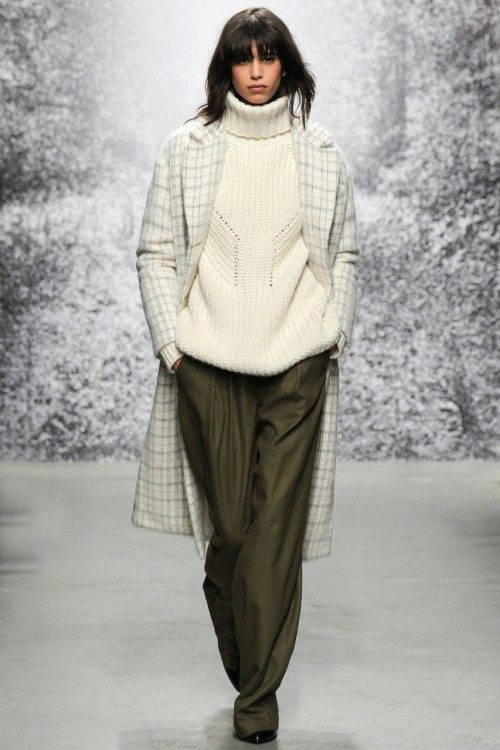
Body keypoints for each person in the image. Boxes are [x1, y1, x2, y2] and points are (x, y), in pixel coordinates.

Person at [133, 7, 360, 745]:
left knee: (273, 536)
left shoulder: (320, 151)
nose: (257, 72)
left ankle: (258, 699)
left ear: (287, 65)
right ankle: (244, 642)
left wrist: (333, 329)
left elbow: (343, 251)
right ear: (226, 67)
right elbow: (155, 251)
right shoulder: (186, 149)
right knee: (231, 530)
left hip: (297, 361)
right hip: (206, 363)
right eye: (244, 58)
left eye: (268, 58)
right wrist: (172, 343)